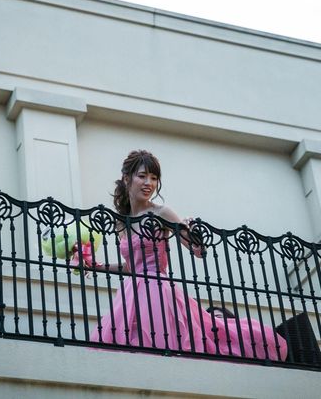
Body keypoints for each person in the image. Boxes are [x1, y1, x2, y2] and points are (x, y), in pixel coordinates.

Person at [89, 150, 288, 361]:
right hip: (131, 293)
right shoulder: (121, 223)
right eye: (142, 176)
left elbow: (197, 251)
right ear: (126, 178)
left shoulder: (161, 212)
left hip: (156, 288)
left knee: (159, 342)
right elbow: (131, 267)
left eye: (154, 178)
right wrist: (97, 266)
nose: (149, 183)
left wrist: (193, 233)